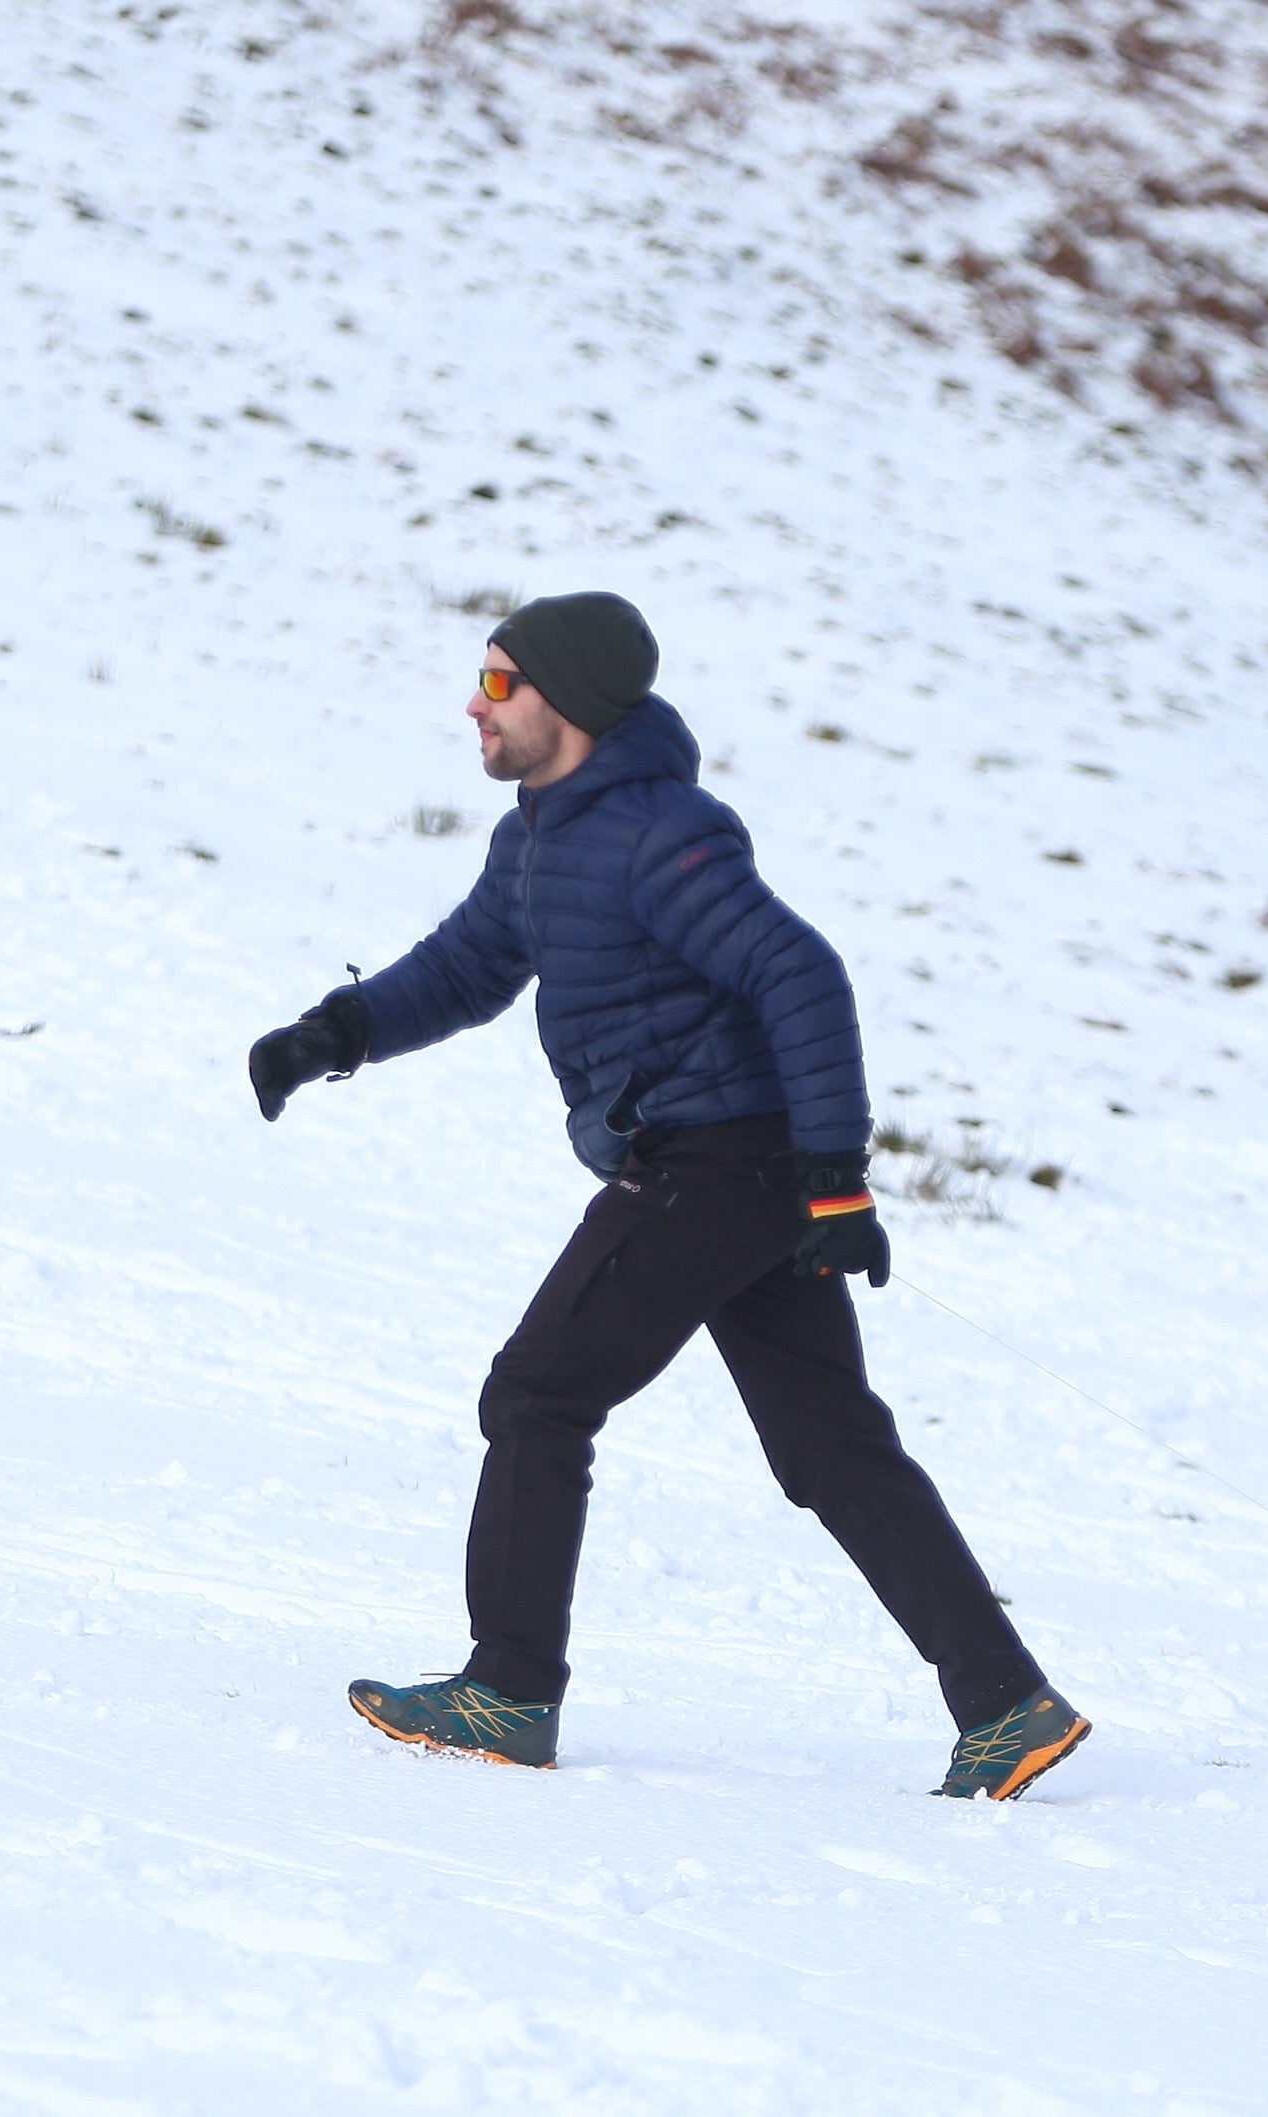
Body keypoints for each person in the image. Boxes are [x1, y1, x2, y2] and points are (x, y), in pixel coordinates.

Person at [245, 591, 1087, 1801]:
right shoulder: (539, 831)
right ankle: (1009, 1703)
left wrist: (835, 1179)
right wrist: (337, 1032)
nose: (473, 706)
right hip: (730, 1169)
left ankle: (509, 1687)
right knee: (830, 1443)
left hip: (717, 1166)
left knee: (538, 1390)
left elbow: (798, 970)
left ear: (568, 703)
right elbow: (473, 963)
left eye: (497, 684)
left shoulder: (661, 834)